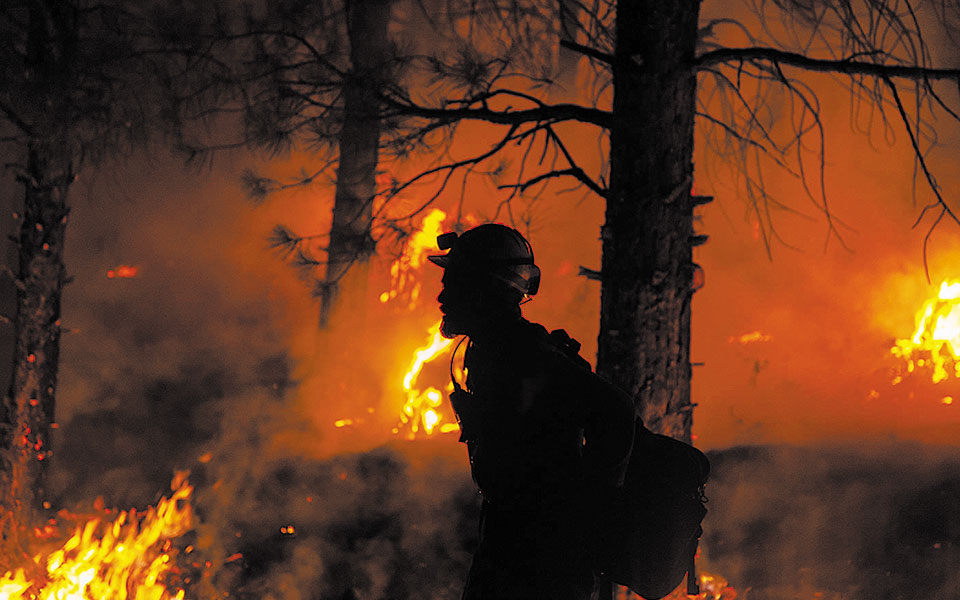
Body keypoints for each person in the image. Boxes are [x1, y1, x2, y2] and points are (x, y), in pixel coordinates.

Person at [428, 223, 636, 600]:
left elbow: (615, 411)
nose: (442, 295)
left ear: (484, 289)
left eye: (454, 281)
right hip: (511, 553)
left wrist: (584, 508)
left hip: (542, 569)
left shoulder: (524, 352)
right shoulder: (493, 351)